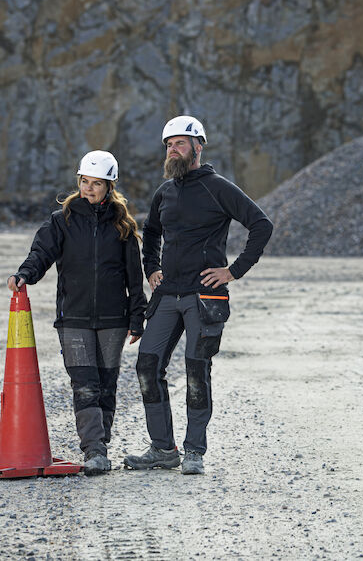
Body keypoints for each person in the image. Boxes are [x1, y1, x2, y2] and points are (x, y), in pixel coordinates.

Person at [123, 115, 273, 475]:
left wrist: (233, 271)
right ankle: (163, 449)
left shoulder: (218, 188)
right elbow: (151, 232)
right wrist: (151, 269)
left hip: (205, 298)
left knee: (196, 370)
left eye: (180, 143)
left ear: (197, 146)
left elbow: (261, 225)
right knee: (147, 366)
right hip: (168, 294)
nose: (173, 149)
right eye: (169, 144)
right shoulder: (166, 192)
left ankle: (194, 451)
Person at [7, 150, 147, 476]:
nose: (88, 188)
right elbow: (40, 253)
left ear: (109, 185)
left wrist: (137, 317)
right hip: (73, 319)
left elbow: (134, 278)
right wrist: (24, 274)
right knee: (84, 385)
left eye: (96, 183)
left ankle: (101, 442)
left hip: (114, 319)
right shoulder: (62, 220)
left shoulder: (123, 226)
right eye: (85, 181)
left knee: (107, 386)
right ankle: (95, 450)